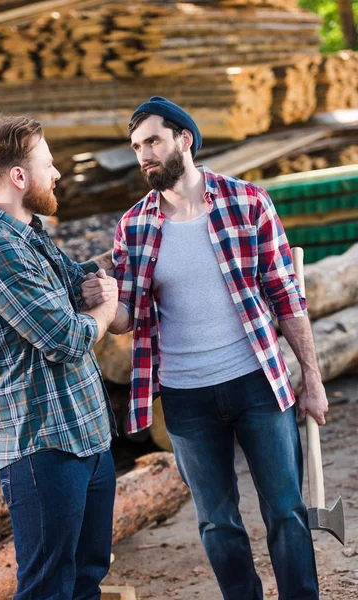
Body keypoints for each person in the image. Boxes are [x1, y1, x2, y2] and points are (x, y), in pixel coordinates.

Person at [82, 97, 329, 600]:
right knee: (216, 522)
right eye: (135, 147)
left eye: (152, 141)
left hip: (257, 382)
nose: (143, 154)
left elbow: (287, 299)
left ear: (184, 139)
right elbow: (127, 321)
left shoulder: (248, 201)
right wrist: (106, 299)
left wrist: (314, 381)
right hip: (185, 397)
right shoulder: (134, 225)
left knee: (285, 510)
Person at [0, 115, 119, 600]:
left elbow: (76, 281)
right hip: (43, 450)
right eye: (49, 165)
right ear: (19, 177)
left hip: (87, 437)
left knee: (88, 578)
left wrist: (101, 278)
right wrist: (107, 307)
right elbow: (67, 337)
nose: (58, 175)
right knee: (48, 588)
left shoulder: (30, 234)